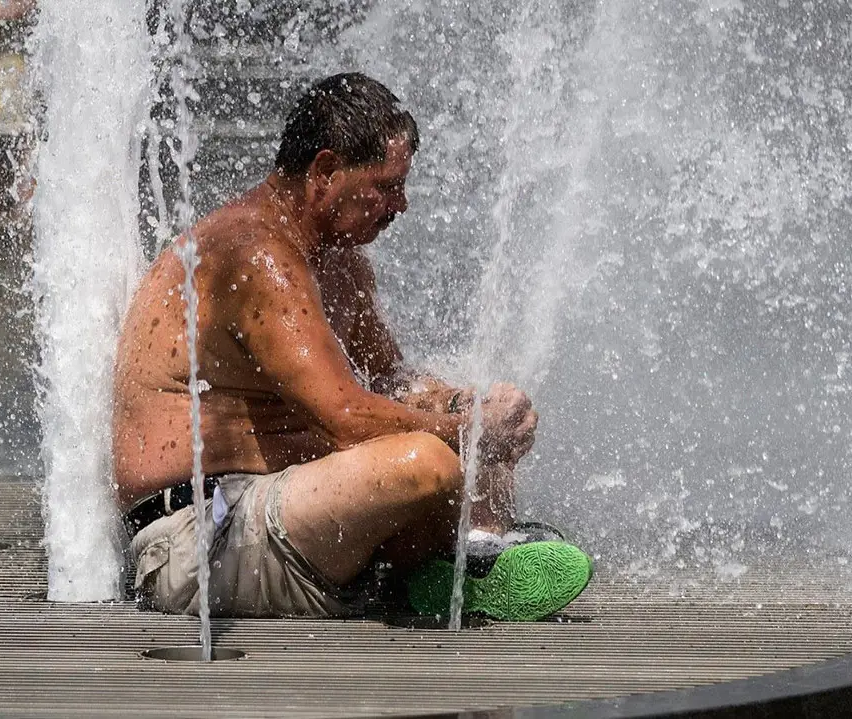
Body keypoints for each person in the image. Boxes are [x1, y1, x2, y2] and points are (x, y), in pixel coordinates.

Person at [112, 72, 591, 621]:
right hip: (197, 536)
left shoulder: (338, 262)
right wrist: (474, 435)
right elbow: (345, 416)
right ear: (325, 172)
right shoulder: (255, 257)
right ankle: (461, 563)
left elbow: (389, 380)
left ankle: (471, 556)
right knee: (430, 459)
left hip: (282, 509)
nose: (401, 205)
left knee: (461, 437)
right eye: (386, 187)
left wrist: (463, 405)